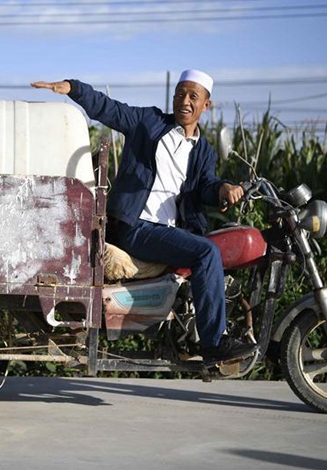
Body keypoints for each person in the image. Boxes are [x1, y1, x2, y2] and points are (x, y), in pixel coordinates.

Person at [31, 71, 258, 364]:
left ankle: (191, 328)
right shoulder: (148, 123)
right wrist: (74, 88)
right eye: (180, 94)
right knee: (206, 252)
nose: (184, 101)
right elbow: (109, 109)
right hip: (135, 226)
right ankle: (213, 342)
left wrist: (222, 190)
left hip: (171, 232)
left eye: (193, 96)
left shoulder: (204, 151)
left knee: (211, 245)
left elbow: (205, 187)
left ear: (206, 105)